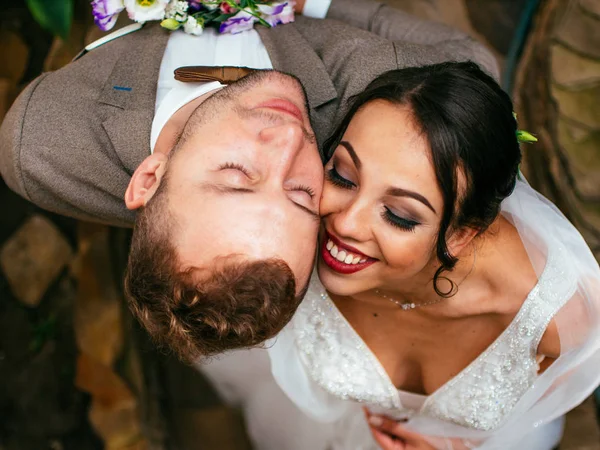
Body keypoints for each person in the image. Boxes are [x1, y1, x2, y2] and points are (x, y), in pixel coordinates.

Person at [0, 0, 497, 361]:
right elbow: (475, 63)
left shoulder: (39, 147)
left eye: (237, 175)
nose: (288, 141)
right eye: (304, 194)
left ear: (150, 177)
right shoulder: (376, 97)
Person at [199, 62, 600, 449]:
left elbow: (573, 370)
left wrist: (460, 443)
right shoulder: (290, 229)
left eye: (400, 215)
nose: (346, 224)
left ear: (461, 235)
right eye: (342, 174)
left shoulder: (555, 311)